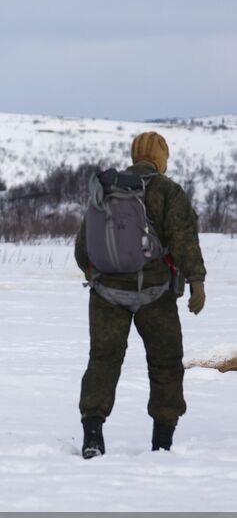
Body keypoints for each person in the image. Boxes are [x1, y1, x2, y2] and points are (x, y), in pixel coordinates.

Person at [75, 131, 206, 457]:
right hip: (155, 294)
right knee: (165, 364)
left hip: (106, 293)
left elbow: (82, 247)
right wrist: (197, 281)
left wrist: (95, 274)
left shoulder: (107, 188)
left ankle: (93, 434)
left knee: (103, 361)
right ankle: (162, 443)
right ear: (161, 158)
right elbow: (184, 240)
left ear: (135, 155)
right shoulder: (168, 191)